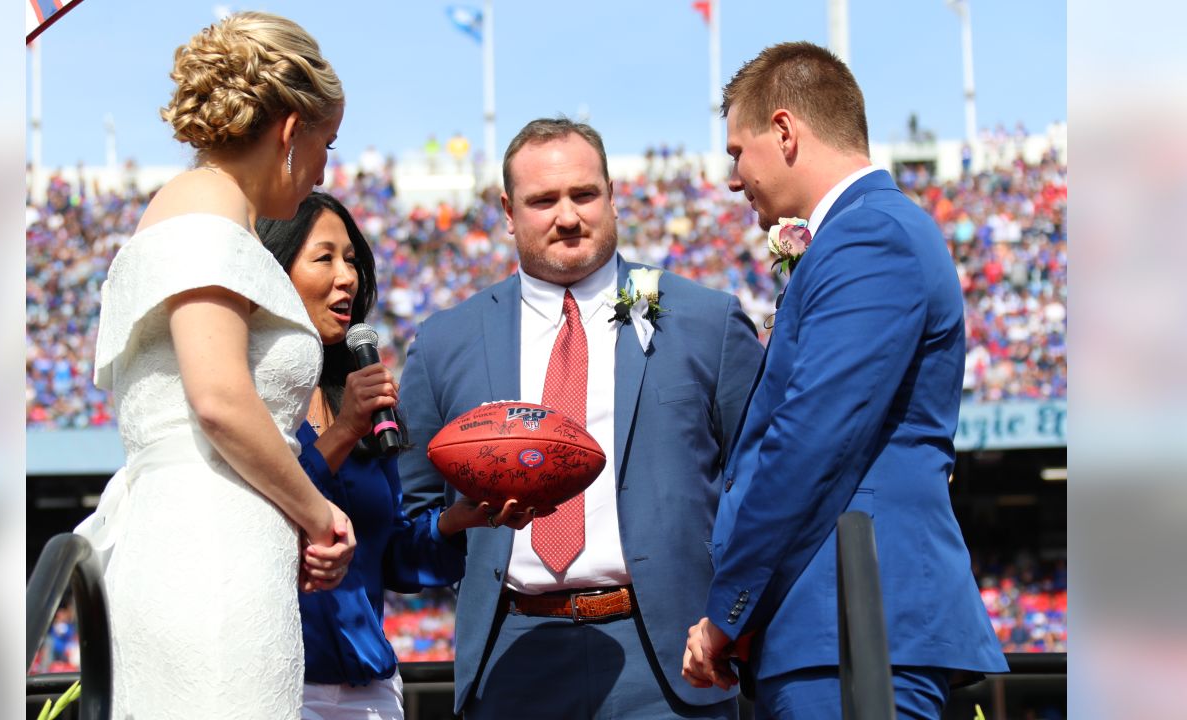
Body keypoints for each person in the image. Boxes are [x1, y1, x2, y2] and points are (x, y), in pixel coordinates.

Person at [682, 42, 1008, 719]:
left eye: (737, 153)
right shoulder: (861, 236)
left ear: (784, 132)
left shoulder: (869, 238)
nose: (734, 180)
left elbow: (809, 441)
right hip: (830, 623)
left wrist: (727, 610)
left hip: (853, 621)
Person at [398, 117, 763, 719]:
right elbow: (411, 524)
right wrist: (458, 523)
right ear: (508, 212)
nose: (567, 216)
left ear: (613, 196)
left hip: (668, 661)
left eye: (584, 195)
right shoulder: (444, 344)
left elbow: (757, 490)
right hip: (511, 657)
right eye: (543, 200)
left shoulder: (706, 322)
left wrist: (731, 622)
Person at [84, 12, 355, 718]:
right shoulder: (206, 208)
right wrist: (318, 512)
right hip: (209, 557)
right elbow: (219, 398)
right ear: (291, 130)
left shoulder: (201, 210)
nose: (327, 169)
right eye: (327, 144)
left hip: (206, 545)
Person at [257, 192, 520, 720]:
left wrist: (453, 523)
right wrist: (341, 434)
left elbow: (393, 555)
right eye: (325, 257)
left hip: (372, 691)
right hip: (276, 686)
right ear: (274, 269)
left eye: (352, 260)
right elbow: (260, 522)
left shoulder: (362, 398)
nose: (347, 277)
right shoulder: (247, 397)